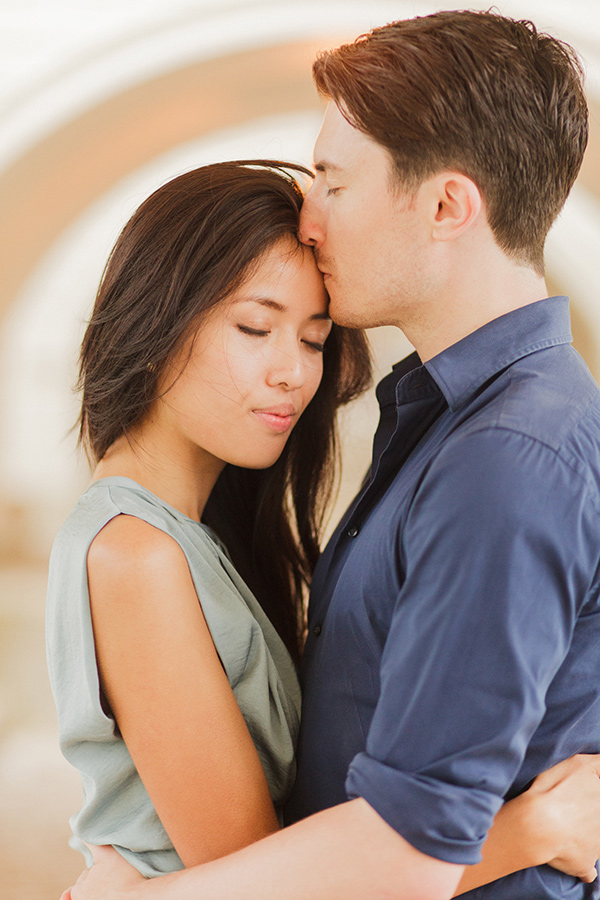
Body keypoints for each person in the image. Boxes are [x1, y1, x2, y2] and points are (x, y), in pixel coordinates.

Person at [61, 11, 600, 898]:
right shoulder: (450, 420)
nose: (308, 218)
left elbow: (410, 851)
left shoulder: (506, 454)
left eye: (335, 183)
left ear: (446, 207)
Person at [46, 159, 371, 875]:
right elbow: (257, 877)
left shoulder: (192, 534)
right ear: (158, 318)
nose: (292, 370)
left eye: (314, 340)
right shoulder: (137, 555)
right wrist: (528, 832)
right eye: (256, 327)